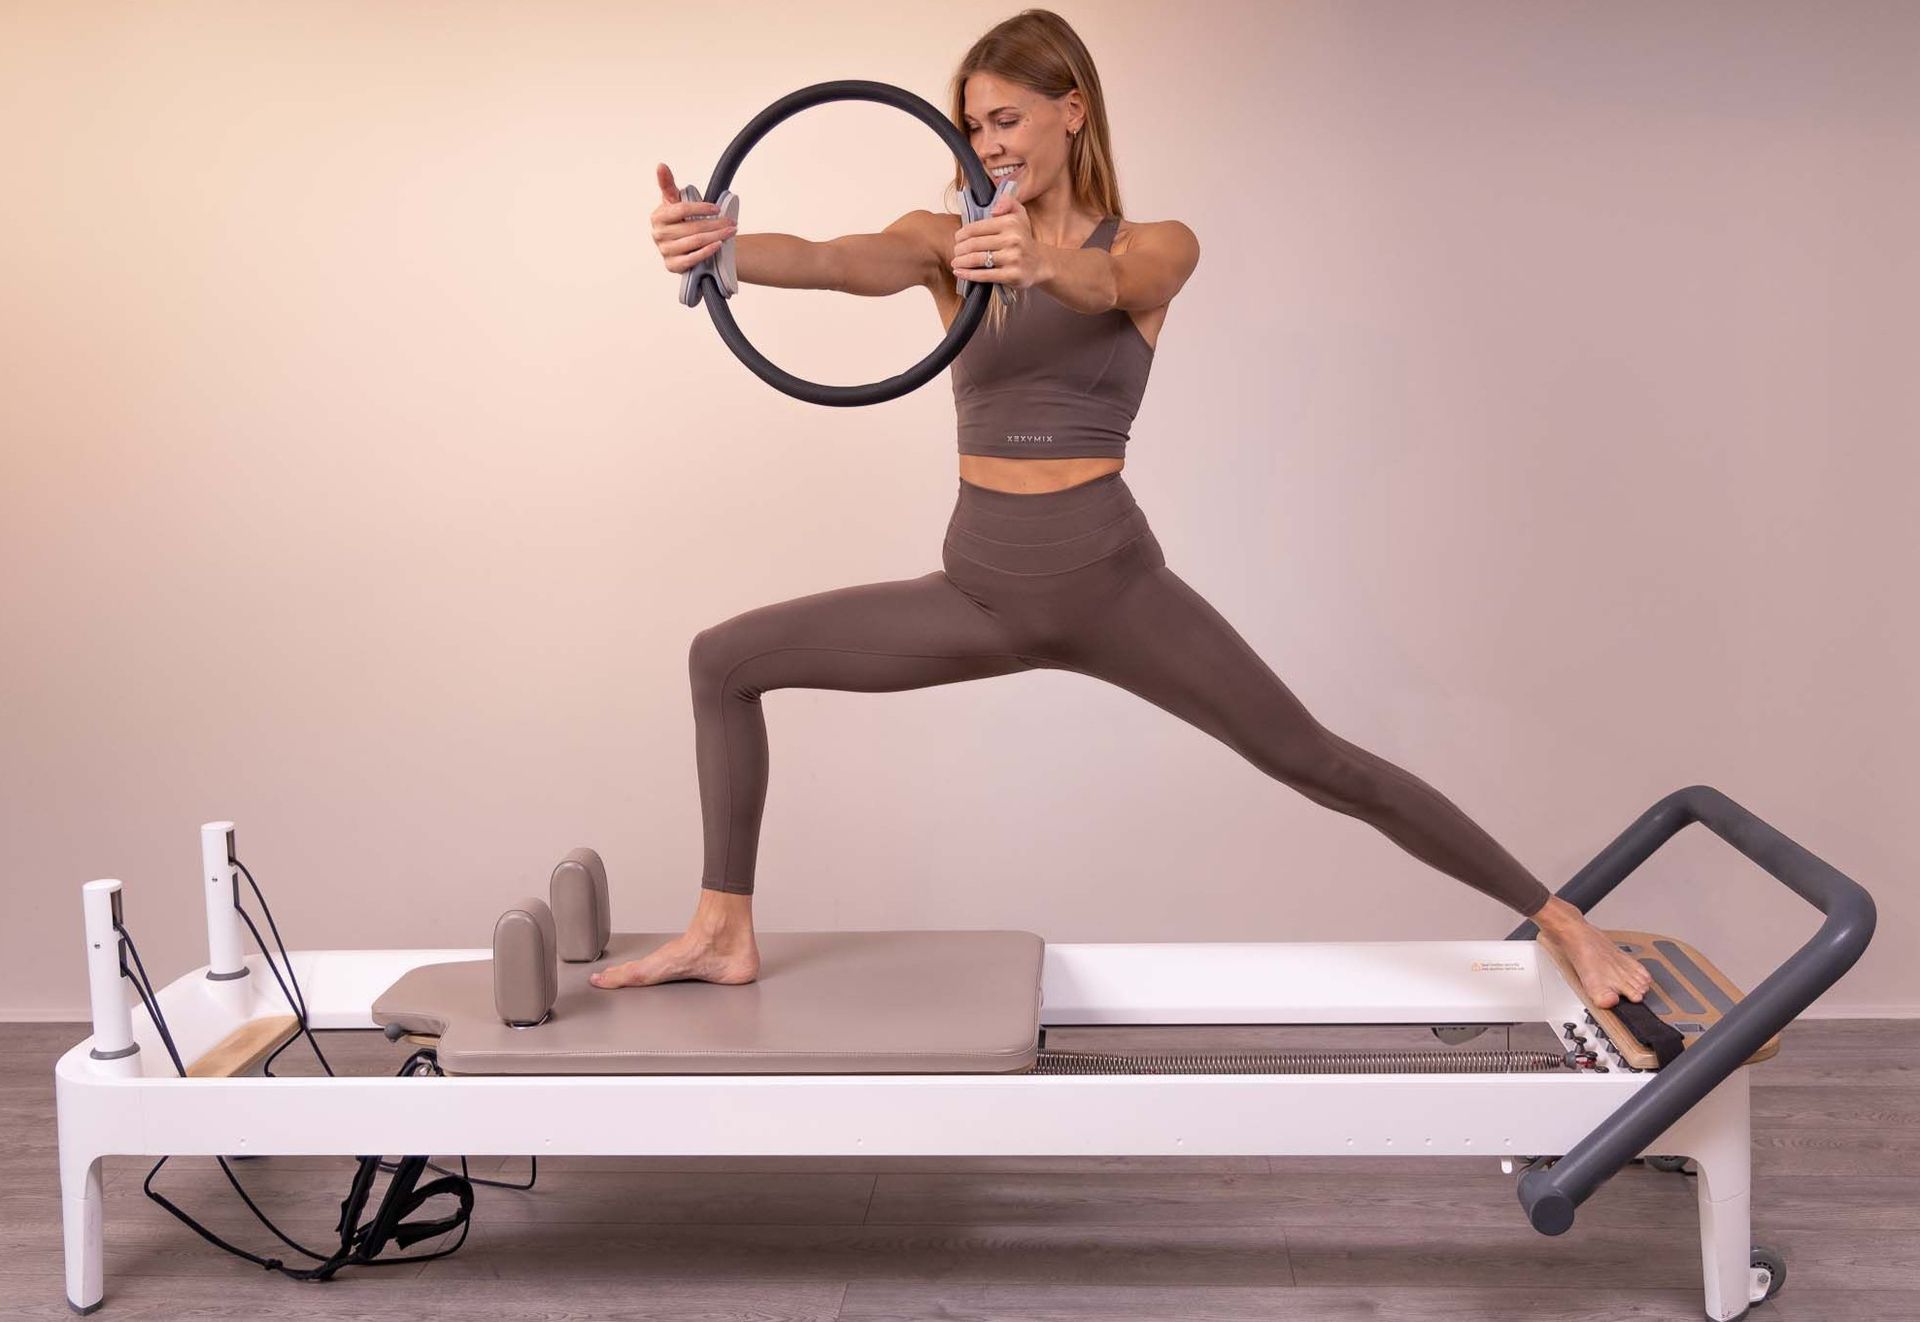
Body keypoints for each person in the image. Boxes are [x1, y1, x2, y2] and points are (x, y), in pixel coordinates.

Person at [596, 9, 1652, 1010]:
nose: (986, 144)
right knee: (722, 660)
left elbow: (1103, 280)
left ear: (1073, 110)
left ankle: (1562, 916)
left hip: (1112, 587)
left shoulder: (1156, 246)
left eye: (1006, 118)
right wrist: (721, 244)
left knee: (1319, 761)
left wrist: (1035, 256)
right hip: (981, 591)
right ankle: (722, 929)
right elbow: (831, 259)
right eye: (971, 123)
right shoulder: (944, 242)